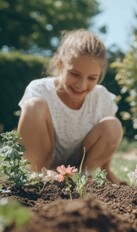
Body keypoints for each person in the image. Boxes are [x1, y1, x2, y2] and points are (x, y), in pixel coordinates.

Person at [18, 29, 123, 184]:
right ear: (60, 65)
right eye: (74, 74)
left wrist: (106, 169)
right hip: (46, 158)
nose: (81, 85)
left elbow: (109, 138)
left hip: (81, 160)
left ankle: (85, 178)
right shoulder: (40, 89)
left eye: (92, 78)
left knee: (113, 125)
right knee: (34, 106)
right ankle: (37, 174)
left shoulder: (101, 97)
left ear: (99, 75)